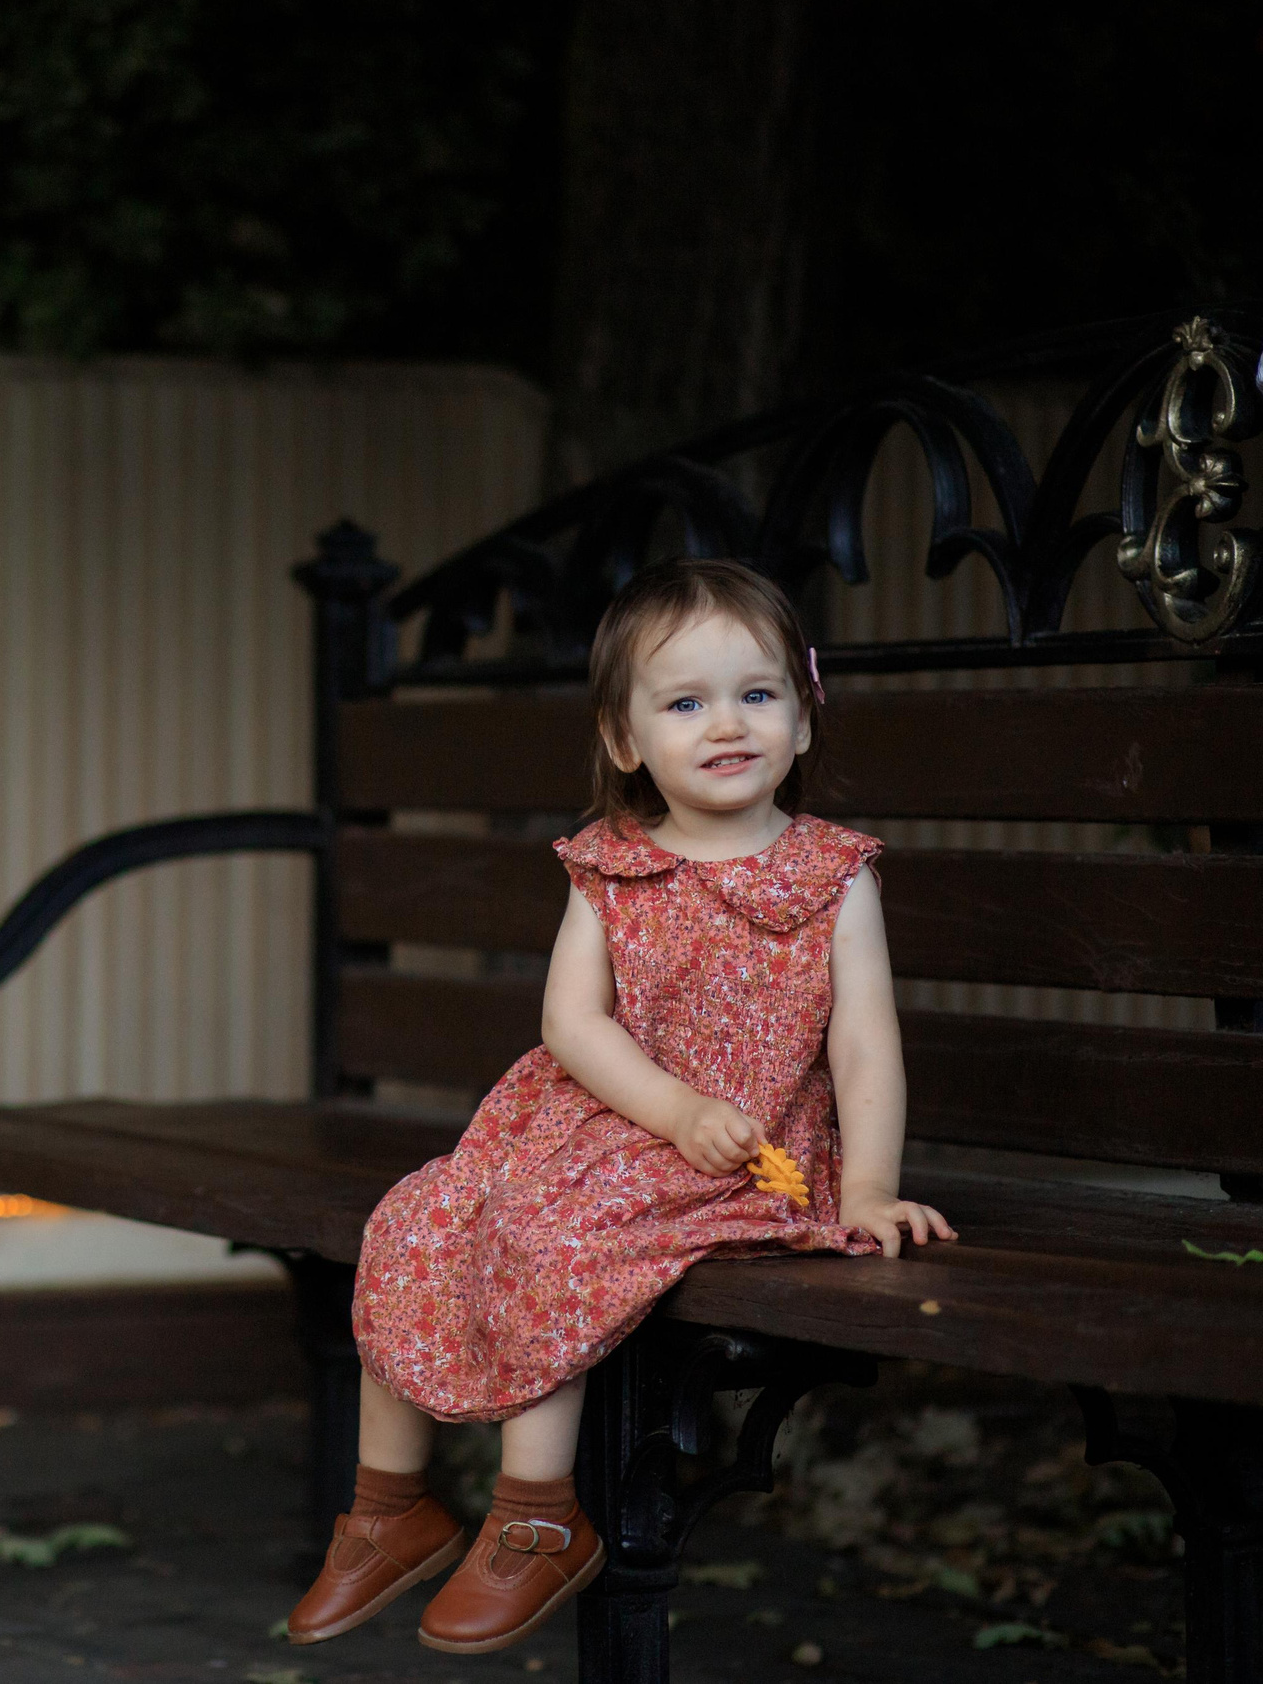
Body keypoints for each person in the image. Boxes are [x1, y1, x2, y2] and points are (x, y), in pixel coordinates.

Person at [285, 557, 957, 1655]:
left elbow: (863, 1041)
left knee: (557, 1236)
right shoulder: (608, 868)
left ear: (801, 714)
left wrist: (871, 1184)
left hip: (740, 1146)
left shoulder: (834, 875)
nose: (726, 723)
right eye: (684, 702)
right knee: (421, 1214)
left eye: (756, 694)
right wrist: (666, 1104)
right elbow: (572, 1024)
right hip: (612, 1114)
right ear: (624, 739)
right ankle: (387, 1505)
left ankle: (536, 1514)